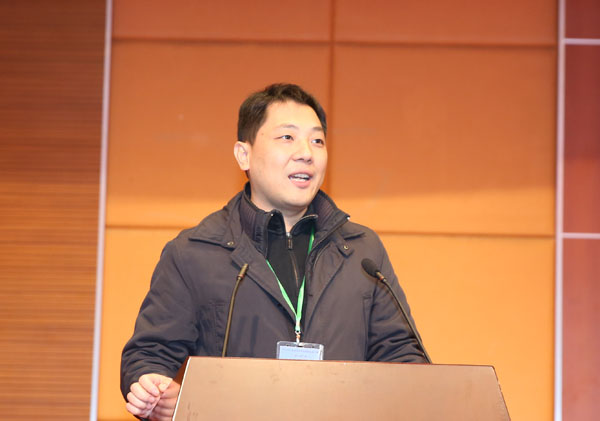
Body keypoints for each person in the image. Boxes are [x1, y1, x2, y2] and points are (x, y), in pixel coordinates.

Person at [121, 83, 428, 420]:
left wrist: (421, 392)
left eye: (317, 141)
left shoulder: (361, 252)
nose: (306, 153)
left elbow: (402, 356)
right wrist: (153, 388)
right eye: (287, 137)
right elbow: (149, 355)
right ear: (244, 155)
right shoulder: (194, 253)